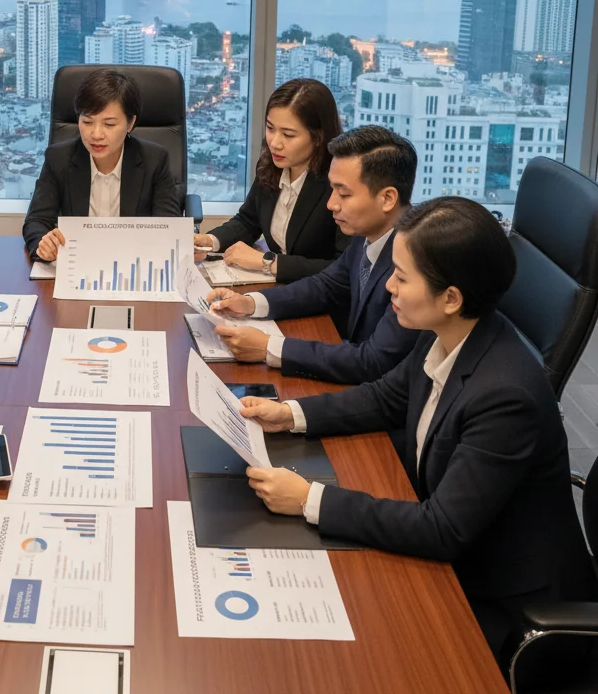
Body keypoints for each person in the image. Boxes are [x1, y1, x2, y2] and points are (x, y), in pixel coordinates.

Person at [239, 197, 598, 670]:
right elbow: (386, 397)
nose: (388, 284)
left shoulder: (506, 395)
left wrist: (311, 498)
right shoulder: (445, 331)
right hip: (457, 547)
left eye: (402, 277)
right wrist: (289, 413)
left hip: (502, 601)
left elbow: (441, 530)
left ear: (451, 296)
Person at [207, 125, 420, 384]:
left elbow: (372, 361)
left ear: (387, 198)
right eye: (332, 190)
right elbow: (325, 286)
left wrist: (269, 347)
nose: (331, 203)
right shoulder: (369, 234)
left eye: (344, 193)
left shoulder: (417, 262)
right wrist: (250, 304)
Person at [194, 78, 347, 282]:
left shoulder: (339, 184)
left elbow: (343, 268)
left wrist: (268, 262)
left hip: (320, 300)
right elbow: (248, 221)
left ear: (318, 137)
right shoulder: (271, 165)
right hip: (278, 288)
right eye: (270, 128)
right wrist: (209, 240)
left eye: (288, 135)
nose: (274, 143)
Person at [23, 68, 183, 261]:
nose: (96, 134)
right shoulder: (59, 158)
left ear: (130, 123)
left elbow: (167, 226)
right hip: (78, 265)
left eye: (109, 124)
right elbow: (36, 220)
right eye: (87, 122)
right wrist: (44, 244)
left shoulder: (154, 159)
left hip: (133, 265)